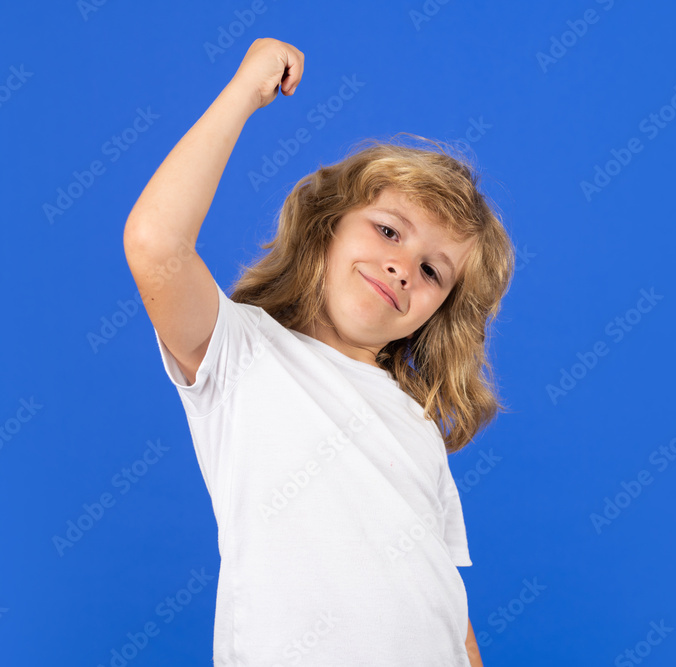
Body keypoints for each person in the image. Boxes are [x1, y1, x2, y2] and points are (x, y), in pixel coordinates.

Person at [123, 37, 514, 667]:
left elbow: (442, 594)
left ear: (439, 312)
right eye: (388, 230)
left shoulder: (415, 426)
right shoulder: (244, 352)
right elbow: (154, 243)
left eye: (433, 271)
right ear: (327, 228)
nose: (402, 267)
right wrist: (245, 92)